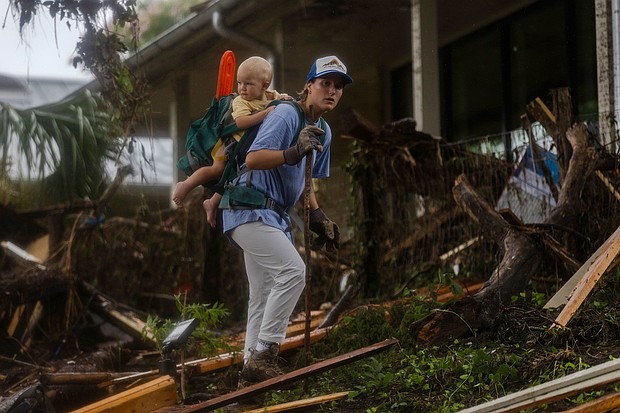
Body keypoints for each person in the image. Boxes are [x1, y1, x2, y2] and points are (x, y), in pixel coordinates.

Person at [221, 55, 353, 388]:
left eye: (338, 86)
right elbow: (253, 159)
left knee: (262, 294)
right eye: (325, 83)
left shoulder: (324, 130)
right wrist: (292, 152)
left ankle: (249, 379)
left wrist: (318, 216)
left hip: (272, 215)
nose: (332, 91)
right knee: (294, 271)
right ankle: (266, 353)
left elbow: (305, 185)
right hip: (246, 206)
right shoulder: (285, 113)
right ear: (309, 86)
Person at [171, 56, 288, 211]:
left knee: (235, 177)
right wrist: (264, 114)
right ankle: (186, 184)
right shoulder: (241, 101)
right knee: (218, 169)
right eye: (239, 83)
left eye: (248, 84)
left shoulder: (271, 96)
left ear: (264, 86)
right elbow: (241, 122)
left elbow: (281, 99)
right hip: (228, 143)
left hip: (244, 146)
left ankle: (212, 203)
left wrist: (288, 100)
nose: (242, 88)